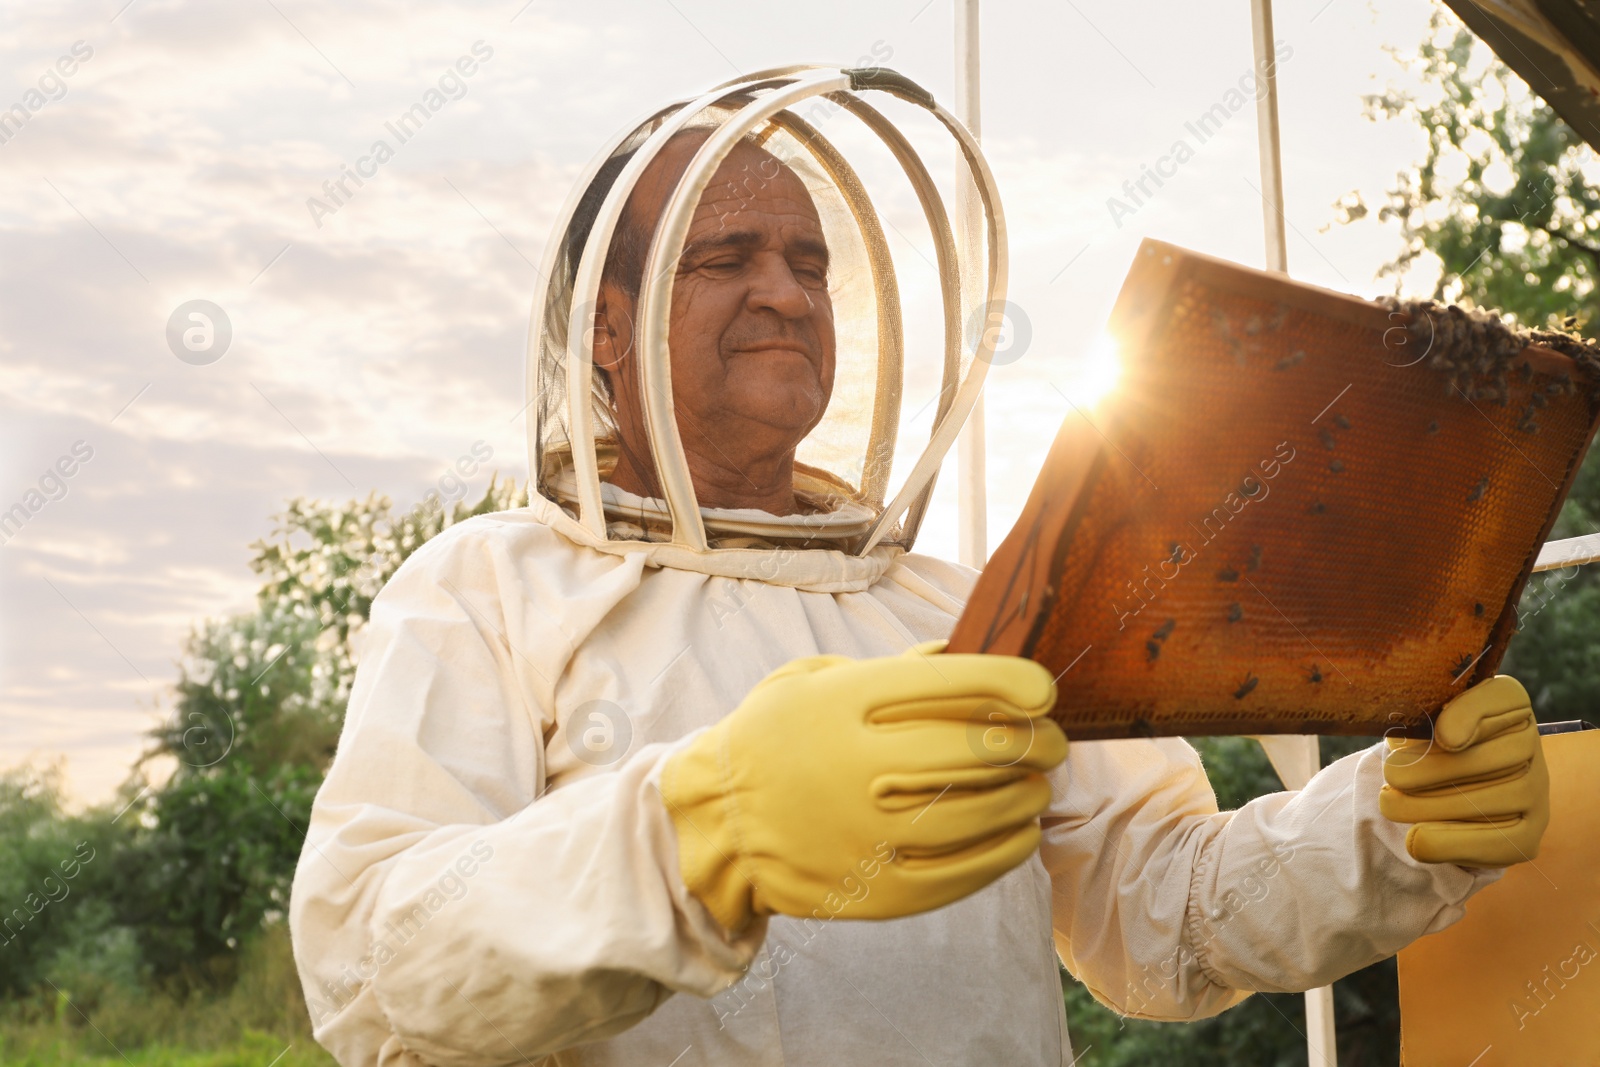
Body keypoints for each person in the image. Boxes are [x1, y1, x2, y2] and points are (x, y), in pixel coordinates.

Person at [289, 79, 1550, 1067]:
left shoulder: (961, 607)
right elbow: (370, 970)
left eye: (811, 261)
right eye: (725, 258)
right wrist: (699, 830)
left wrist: (1392, 823)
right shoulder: (484, 587)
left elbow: (1163, 915)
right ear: (605, 329)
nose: (785, 290)